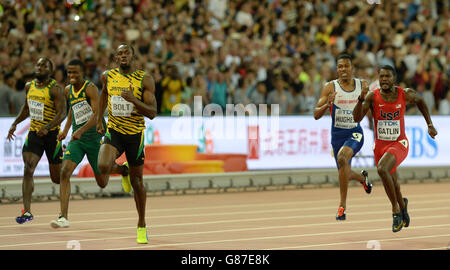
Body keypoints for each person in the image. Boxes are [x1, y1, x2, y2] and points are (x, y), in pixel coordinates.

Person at [353, 65, 438, 232]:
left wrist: (429, 124)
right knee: (394, 183)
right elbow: (356, 118)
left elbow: (421, 101)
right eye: (381, 77)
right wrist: (360, 100)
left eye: (387, 76)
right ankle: (402, 204)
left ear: (394, 79)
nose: (384, 79)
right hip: (380, 145)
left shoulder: (404, 93)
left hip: (399, 143)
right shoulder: (372, 96)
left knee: (382, 169)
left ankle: (395, 210)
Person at [50, 59, 130, 228]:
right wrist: (65, 130)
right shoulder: (67, 90)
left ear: (83, 73)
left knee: (102, 182)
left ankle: (123, 169)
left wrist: (81, 131)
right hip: (77, 141)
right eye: (69, 72)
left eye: (75, 72)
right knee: (65, 172)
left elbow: (97, 114)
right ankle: (63, 217)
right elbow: (72, 111)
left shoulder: (90, 88)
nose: (71, 75)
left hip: (95, 138)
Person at [96, 44, 157, 244]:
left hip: (134, 135)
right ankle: (123, 171)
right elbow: (104, 94)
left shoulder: (144, 79)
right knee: (103, 166)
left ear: (133, 56)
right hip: (114, 131)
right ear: (115, 58)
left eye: (126, 53)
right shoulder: (108, 76)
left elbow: (152, 113)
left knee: (138, 182)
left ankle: (141, 224)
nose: (123, 56)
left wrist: (133, 100)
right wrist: (99, 119)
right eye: (119, 53)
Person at [6, 57, 67, 224]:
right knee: (28, 168)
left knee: (57, 178)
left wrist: (47, 127)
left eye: (43, 65)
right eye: (38, 64)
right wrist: (15, 123)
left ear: (50, 71)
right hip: (34, 134)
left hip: (52, 135)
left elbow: (62, 114)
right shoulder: (29, 86)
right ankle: (27, 211)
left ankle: (64, 213)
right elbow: (26, 108)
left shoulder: (55, 89)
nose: (39, 67)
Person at [314, 54, 372, 221]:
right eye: (340, 67)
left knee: (342, 157)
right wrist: (327, 104)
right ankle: (363, 178)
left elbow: (361, 116)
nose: (343, 69)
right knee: (343, 170)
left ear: (352, 68)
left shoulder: (363, 85)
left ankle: (342, 206)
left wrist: (361, 99)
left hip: (355, 132)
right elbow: (315, 115)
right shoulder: (330, 88)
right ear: (337, 69)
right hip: (337, 135)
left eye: (346, 66)